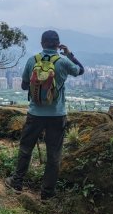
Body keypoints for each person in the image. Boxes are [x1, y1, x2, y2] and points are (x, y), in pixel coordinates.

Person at [5, 30, 84, 202]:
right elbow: (80, 70)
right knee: (54, 155)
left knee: (26, 148)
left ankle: (17, 183)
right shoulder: (63, 62)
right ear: (58, 45)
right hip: (57, 115)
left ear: (42, 44)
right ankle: (47, 194)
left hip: (35, 114)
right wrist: (70, 55)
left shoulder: (32, 60)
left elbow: (25, 86)